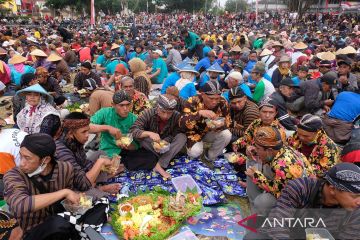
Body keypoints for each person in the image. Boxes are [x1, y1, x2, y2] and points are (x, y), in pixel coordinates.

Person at [3, 133, 108, 240]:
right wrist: (65, 192)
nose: (21, 163)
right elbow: (20, 204)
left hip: (62, 221)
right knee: (60, 223)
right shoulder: (14, 175)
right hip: (31, 231)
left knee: (101, 202)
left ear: (46, 160)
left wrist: (76, 198)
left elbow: (84, 185)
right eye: (21, 156)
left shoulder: (65, 168)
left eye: (27, 158)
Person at [255, 163, 360, 240]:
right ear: (332, 189)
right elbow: (278, 223)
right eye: (355, 196)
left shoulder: (356, 211)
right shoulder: (300, 188)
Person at [245, 126, 312, 216]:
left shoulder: (283, 167)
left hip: (295, 201)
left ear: (269, 150)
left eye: (258, 148)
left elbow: (278, 192)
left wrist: (255, 176)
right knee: (252, 164)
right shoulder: (280, 149)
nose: (256, 150)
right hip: (282, 183)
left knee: (262, 201)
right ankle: (254, 206)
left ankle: (261, 214)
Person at [55, 112, 122, 194]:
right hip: (69, 188)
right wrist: (100, 163)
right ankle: (99, 189)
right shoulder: (62, 151)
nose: (87, 135)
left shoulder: (74, 141)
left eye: (88, 131)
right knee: (96, 198)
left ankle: (97, 185)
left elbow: (85, 163)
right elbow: (83, 184)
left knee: (101, 154)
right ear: (70, 133)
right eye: (83, 132)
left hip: (80, 174)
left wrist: (104, 168)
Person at [130, 94, 187, 179]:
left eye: (169, 113)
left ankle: (160, 164)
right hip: (150, 143)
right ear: (157, 108)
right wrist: (149, 133)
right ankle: (164, 157)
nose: (166, 116)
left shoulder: (176, 116)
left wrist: (165, 141)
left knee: (182, 137)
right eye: (163, 112)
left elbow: (175, 133)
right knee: (141, 138)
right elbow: (133, 131)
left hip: (167, 145)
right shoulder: (148, 113)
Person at [179, 81, 232, 161]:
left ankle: (210, 157)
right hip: (194, 133)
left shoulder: (222, 102)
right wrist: (199, 113)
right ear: (203, 94)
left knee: (227, 134)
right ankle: (189, 153)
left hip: (211, 132)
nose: (214, 102)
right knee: (195, 152)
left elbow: (228, 122)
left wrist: (221, 125)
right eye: (211, 98)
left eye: (217, 98)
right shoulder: (193, 101)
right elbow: (181, 123)